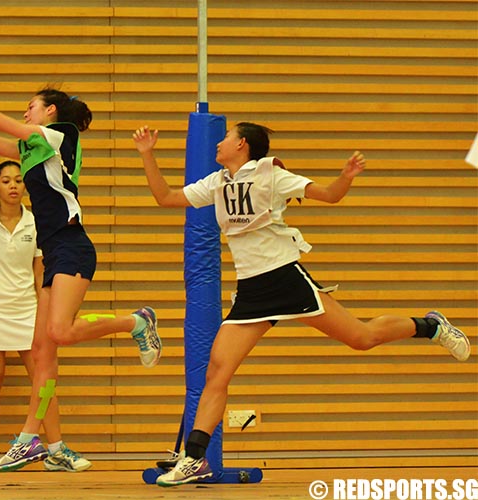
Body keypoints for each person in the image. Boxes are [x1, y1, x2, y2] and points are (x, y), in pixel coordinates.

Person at [132, 123, 471, 487]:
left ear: (242, 144)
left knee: (362, 337)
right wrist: (147, 154)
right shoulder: (216, 183)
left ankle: (432, 325)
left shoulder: (272, 175)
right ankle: (195, 459)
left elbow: (328, 195)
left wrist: (345, 177)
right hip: (251, 290)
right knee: (217, 372)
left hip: (284, 278)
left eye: (226, 137)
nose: (219, 142)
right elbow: (165, 197)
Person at [0, 48, 162, 472]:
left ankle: (136, 322)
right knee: (43, 355)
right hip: (53, 253)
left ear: (49, 111)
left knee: (60, 332)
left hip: (72, 245)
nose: (24, 111)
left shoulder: (58, 135)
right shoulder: (30, 148)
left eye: (30, 106)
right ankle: (34, 439)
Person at [0, 160, 91, 472]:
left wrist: (49, 311)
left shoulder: (37, 223)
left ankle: (57, 449)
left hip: (27, 310)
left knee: (43, 381)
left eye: (19, 180)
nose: (14, 186)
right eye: (6, 181)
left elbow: (40, 272)